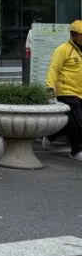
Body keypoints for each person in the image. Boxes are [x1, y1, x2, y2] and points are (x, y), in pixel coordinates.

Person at [46, 20, 82, 162]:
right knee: (78, 121)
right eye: (81, 35)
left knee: (71, 122)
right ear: (73, 34)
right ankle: (76, 150)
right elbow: (53, 70)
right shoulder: (63, 49)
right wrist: (50, 88)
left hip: (80, 92)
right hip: (67, 91)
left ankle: (50, 137)